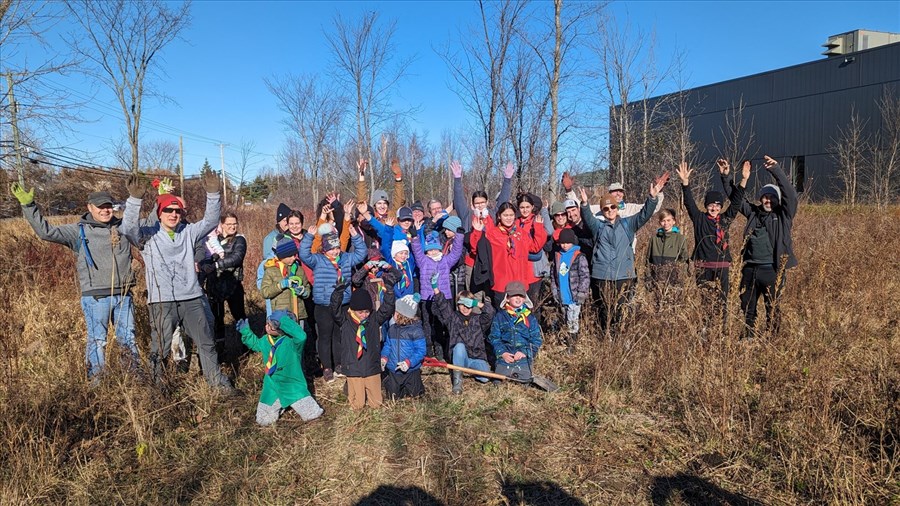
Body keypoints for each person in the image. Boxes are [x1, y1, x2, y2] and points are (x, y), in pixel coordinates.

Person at [120, 170, 235, 391]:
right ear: (160, 213)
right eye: (169, 211)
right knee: (161, 349)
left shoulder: (188, 232)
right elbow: (127, 229)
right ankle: (159, 388)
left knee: (206, 343)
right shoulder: (146, 236)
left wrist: (213, 193)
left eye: (177, 211)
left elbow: (211, 221)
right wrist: (134, 200)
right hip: (162, 302)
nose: (173, 214)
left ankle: (217, 384)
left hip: (191, 298)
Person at [10, 184, 139, 381]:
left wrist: (158, 196)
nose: (105, 210)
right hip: (96, 299)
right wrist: (29, 206)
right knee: (97, 342)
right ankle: (97, 384)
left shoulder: (123, 228)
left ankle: (133, 382)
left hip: (124, 296)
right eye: (100, 207)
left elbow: (152, 223)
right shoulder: (78, 231)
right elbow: (47, 233)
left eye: (108, 206)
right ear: (90, 208)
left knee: (128, 340)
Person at [578, 173, 667, 336]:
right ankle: (604, 338)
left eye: (612, 207)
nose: (610, 210)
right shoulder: (598, 227)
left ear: (617, 208)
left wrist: (652, 198)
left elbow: (644, 215)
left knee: (620, 309)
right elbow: (588, 217)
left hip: (623, 275)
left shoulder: (628, 224)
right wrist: (584, 204)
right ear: (603, 211)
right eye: (606, 208)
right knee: (603, 308)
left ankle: (617, 337)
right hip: (601, 275)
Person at [730, 155, 798, 338]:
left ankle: (773, 339)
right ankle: (748, 338)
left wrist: (776, 171)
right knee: (748, 306)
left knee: (773, 307)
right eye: (765, 197)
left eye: (771, 197)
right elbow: (735, 200)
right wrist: (727, 177)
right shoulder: (753, 212)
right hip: (750, 269)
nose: (768, 200)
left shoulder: (783, 216)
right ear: (760, 199)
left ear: (777, 200)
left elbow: (790, 195)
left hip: (772, 270)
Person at [298, 222, 367, 383]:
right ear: (324, 249)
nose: (335, 251)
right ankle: (327, 367)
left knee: (339, 335)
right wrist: (309, 236)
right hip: (324, 304)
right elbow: (303, 254)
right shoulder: (318, 260)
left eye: (337, 248)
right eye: (331, 249)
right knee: (324, 336)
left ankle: (339, 365)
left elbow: (361, 253)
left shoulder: (346, 258)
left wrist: (355, 236)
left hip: (343, 304)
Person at [676, 160, 745, 305]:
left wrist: (744, 180)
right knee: (705, 302)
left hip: (722, 267)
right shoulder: (699, 218)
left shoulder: (725, 219)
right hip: (703, 267)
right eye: (710, 205)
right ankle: (706, 328)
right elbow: (689, 202)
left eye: (717, 205)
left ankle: (721, 328)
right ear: (706, 206)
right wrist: (685, 183)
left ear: (721, 207)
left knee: (722, 303)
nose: (714, 208)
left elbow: (736, 203)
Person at [237, 310, 323, 426]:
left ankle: (289, 402)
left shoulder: (293, 343)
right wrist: (246, 332)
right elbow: (255, 344)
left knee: (313, 414)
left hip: (292, 385)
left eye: (271, 326)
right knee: (263, 420)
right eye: (267, 324)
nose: (267, 327)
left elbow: (301, 336)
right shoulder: (266, 340)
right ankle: (282, 404)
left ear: (281, 330)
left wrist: (283, 321)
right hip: (272, 385)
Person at [331, 280, 396, 410]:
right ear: (352, 310)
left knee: (376, 403)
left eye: (366, 311)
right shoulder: (345, 321)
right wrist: (338, 293)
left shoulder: (374, 320)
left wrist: (389, 290)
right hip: (353, 367)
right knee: (357, 404)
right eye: (360, 312)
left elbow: (387, 309)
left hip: (371, 366)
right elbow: (334, 309)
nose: (363, 315)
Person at [451, 159, 514, 288]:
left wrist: (507, 180)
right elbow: (458, 201)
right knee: (474, 294)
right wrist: (457, 179)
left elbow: (503, 200)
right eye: (477, 203)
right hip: (472, 262)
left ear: (487, 202)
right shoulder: (467, 215)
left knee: (491, 293)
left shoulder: (492, 215)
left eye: (482, 202)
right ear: (472, 204)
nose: (480, 205)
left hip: (493, 260)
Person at [470, 202, 547, 308]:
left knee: (521, 317)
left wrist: (538, 228)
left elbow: (535, 247)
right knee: (503, 316)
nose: (508, 218)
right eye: (505, 215)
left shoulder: (521, 233)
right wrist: (477, 233)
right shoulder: (492, 234)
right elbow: (477, 251)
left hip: (520, 283)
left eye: (511, 215)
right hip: (501, 284)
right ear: (499, 216)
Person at [410, 230, 465, 360]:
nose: (433, 252)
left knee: (441, 324)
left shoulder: (446, 261)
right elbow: (417, 251)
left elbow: (456, 253)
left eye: (435, 249)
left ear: (440, 248)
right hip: (427, 298)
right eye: (430, 250)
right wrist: (414, 238)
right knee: (427, 324)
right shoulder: (423, 261)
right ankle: (428, 349)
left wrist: (459, 237)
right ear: (426, 251)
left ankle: (440, 347)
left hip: (443, 298)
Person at [433, 286, 495, 394]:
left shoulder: (478, 319)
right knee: (459, 346)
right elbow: (443, 305)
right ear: (457, 305)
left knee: (485, 378)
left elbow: (490, 312)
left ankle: (464, 366)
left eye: (468, 305)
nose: (465, 308)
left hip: (476, 357)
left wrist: (476, 303)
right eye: (462, 304)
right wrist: (435, 288)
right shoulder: (452, 318)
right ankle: (457, 383)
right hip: (458, 355)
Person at [200, 212, 247, 353]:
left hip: (233, 285)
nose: (232, 227)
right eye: (229, 224)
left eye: (234, 224)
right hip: (215, 286)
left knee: (240, 318)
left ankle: (247, 346)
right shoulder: (213, 239)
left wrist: (216, 265)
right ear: (222, 225)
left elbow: (236, 258)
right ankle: (220, 352)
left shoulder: (239, 240)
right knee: (217, 320)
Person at [488, 281, 542, 381]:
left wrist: (524, 352)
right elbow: (494, 338)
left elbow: (536, 340)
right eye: (514, 295)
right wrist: (502, 353)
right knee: (499, 380)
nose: (518, 298)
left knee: (524, 380)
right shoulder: (500, 316)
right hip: (505, 357)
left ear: (525, 298)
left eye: (521, 296)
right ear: (507, 298)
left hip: (523, 357)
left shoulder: (530, 317)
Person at [550, 228, 590, 352]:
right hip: (562, 296)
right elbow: (553, 276)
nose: (565, 245)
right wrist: (555, 292)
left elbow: (585, 276)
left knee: (573, 321)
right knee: (565, 319)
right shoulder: (558, 256)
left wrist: (582, 293)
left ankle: (572, 345)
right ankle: (565, 341)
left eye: (567, 242)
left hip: (574, 296)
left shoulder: (578, 256)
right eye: (562, 243)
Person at [381, 294, 427, 400]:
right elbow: (388, 346)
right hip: (394, 369)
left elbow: (421, 351)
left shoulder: (416, 331)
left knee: (416, 395)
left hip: (410, 370)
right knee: (393, 396)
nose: (393, 315)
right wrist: (384, 357)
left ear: (403, 315)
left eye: (396, 312)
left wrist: (408, 362)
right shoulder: (392, 329)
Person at [260, 236, 312, 320]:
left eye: (295, 255)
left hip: (299, 314)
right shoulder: (271, 271)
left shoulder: (299, 270)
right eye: (289, 256)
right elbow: (265, 292)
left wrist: (304, 292)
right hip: (280, 315)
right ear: (281, 256)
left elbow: (307, 287)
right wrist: (280, 286)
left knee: (299, 333)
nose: (293, 258)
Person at [646, 208, 690, 301]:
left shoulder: (680, 238)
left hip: (673, 280)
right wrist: (648, 277)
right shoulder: (654, 239)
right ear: (660, 222)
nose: (666, 223)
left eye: (668, 220)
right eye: (663, 221)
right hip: (656, 280)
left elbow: (684, 258)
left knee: (672, 306)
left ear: (674, 221)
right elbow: (648, 260)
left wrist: (677, 274)